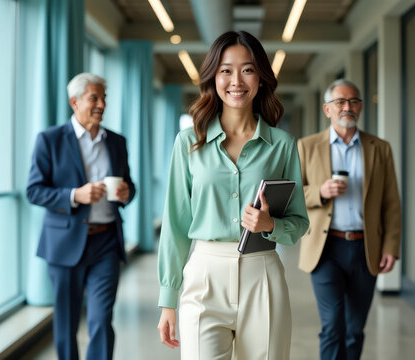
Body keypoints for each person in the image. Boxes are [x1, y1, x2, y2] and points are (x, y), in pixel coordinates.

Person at [156, 31, 309, 359]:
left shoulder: (282, 145)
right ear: (213, 76)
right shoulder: (188, 142)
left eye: (247, 69)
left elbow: (298, 222)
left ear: (261, 78)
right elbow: (176, 222)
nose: (236, 80)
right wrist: (168, 298)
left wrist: (270, 225)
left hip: (262, 274)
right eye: (226, 70)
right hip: (204, 275)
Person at [27, 73, 135, 360]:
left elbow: (129, 184)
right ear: (74, 102)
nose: (102, 104)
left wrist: (126, 192)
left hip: (107, 243)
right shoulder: (49, 140)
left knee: (101, 320)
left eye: (104, 98)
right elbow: (34, 191)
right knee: (66, 323)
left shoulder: (116, 142)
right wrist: (75, 195)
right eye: (94, 98)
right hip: (64, 244)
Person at [297, 79, 401, 360]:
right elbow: (292, 194)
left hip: (365, 248)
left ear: (362, 106)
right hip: (325, 248)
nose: (347, 107)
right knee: (332, 327)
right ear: (327, 109)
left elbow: (391, 203)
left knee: (355, 329)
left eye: (353, 101)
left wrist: (391, 247)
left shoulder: (380, 148)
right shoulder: (307, 147)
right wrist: (320, 191)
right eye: (340, 102)